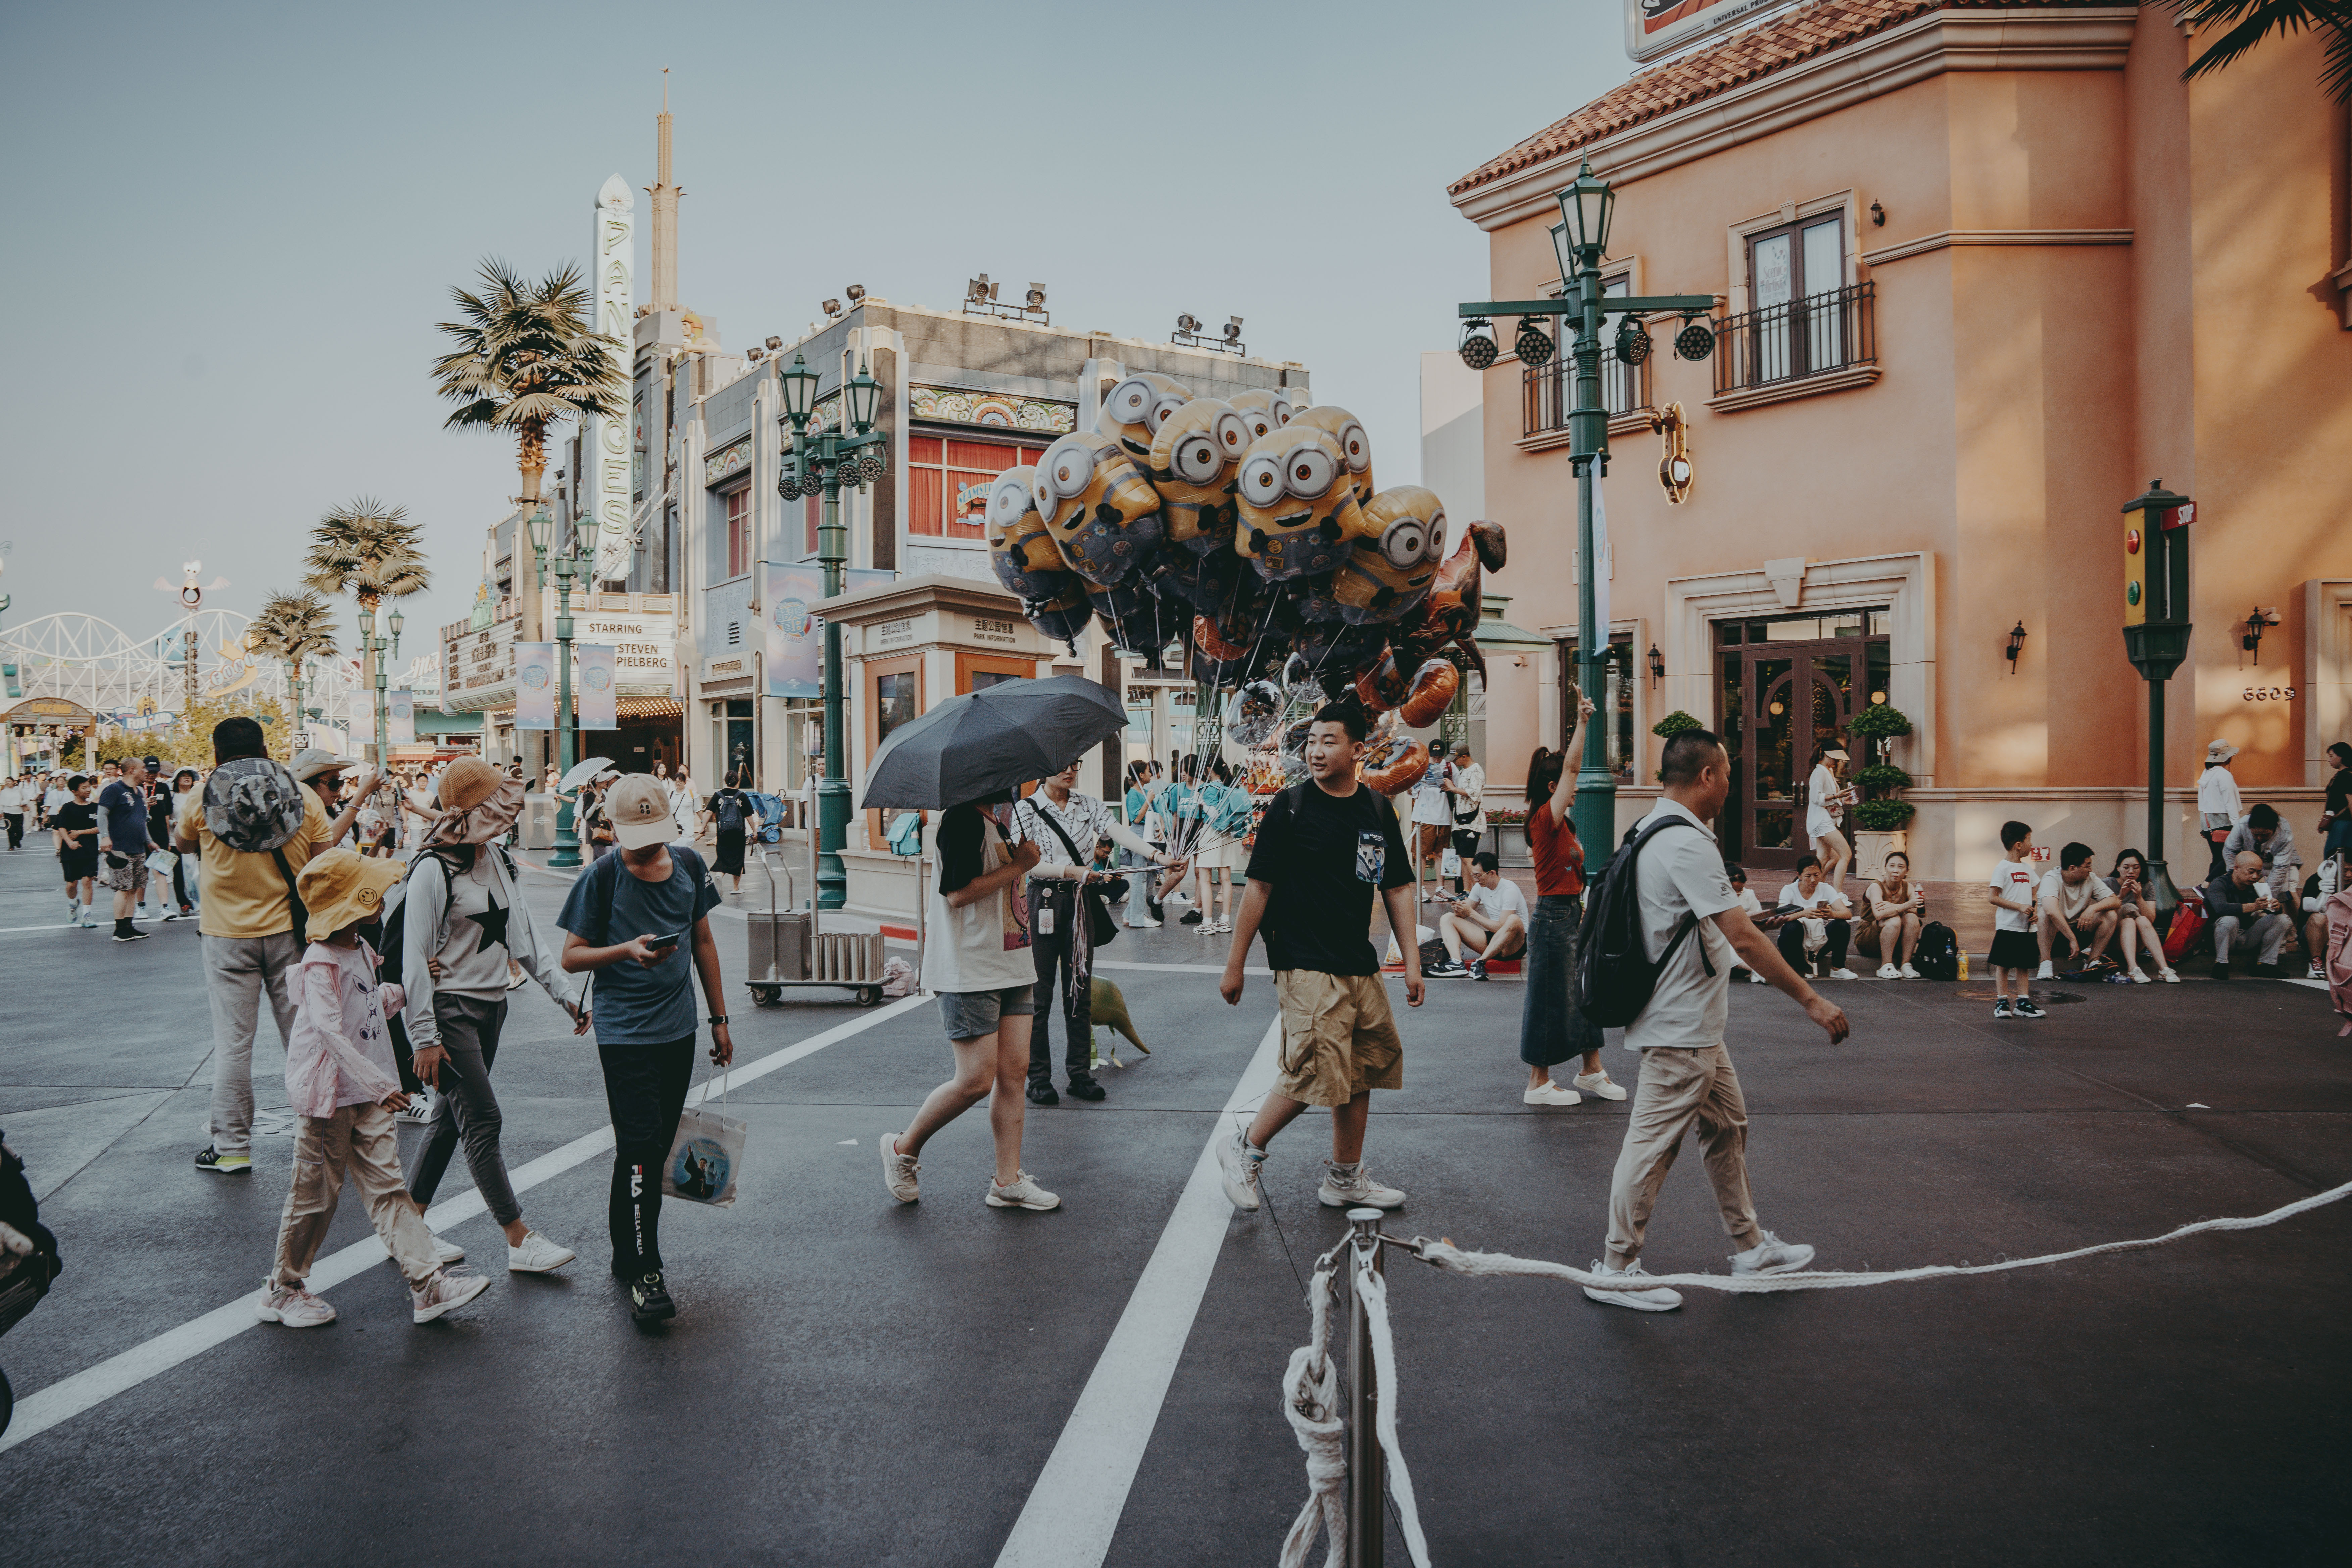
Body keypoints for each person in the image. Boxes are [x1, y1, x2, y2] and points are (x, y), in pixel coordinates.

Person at [1583, 727, 1848, 1313]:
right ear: (1706, 776)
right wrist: (1811, 999)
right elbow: (1742, 937)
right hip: (1679, 1027)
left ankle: (1749, 1247)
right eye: (1727, 773)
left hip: (1694, 1023)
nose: (1732, 783)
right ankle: (1615, 1266)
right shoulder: (1685, 842)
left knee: (1726, 1127)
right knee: (1650, 1148)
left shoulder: (1652, 829)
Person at [255, 848, 490, 1330]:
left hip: (367, 1095)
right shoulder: (321, 961)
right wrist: (383, 1085)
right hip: (330, 1099)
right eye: (372, 896)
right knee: (315, 1196)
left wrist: (405, 988)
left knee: (390, 1190)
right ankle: (284, 1288)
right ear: (350, 903)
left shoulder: (360, 948)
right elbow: (329, 1031)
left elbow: (369, 1004)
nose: (381, 902)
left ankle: (428, 1285)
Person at [1215, 702, 1423, 1214]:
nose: (1315, 750)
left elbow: (1396, 886)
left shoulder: (1376, 810)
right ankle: (1245, 1148)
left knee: (1362, 1067)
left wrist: (1411, 960)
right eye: (1312, 741)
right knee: (1313, 1067)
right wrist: (1235, 963)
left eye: (1329, 741)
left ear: (1358, 750)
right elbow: (1258, 887)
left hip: (1359, 960)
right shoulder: (1290, 808)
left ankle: (1345, 1178)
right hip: (1303, 958)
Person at [557, 773, 732, 1324]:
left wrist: (719, 1020)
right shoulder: (601, 876)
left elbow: (703, 941)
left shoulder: (689, 866)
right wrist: (627, 951)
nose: (646, 845)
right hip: (624, 1033)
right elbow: (571, 956)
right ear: (614, 828)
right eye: (635, 835)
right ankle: (647, 1269)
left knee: (651, 1149)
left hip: (678, 1029)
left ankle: (623, 1253)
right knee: (638, 1147)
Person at [399, 759, 585, 1276]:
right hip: (450, 1012)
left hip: (492, 1008)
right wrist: (424, 1037)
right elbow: (413, 960)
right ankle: (518, 1237)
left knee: (447, 1122)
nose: (508, 818)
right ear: (473, 812)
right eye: (498, 808)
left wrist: (567, 997)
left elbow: (522, 938)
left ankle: (409, 1226)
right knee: (482, 1120)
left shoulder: (499, 861)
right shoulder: (433, 870)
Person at [177, 717, 370, 1176]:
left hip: (226, 937)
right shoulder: (301, 796)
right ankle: (325, 1141)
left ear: (218, 755)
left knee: (233, 1046)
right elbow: (325, 861)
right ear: (266, 749)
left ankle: (231, 1147)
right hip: (290, 934)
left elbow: (182, 844)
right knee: (308, 1038)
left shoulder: (202, 796)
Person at [880, 790, 1059, 1211]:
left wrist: (1024, 864)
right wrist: (1019, 866)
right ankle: (902, 1148)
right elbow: (958, 894)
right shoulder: (960, 818)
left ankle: (1008, 1180)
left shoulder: (995, 819)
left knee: (1015, 1072)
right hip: (970, 969)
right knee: (976, 1080)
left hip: (1012, 962)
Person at [1012, 758, 1186, 1105]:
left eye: (1076, 763)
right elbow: (1025, 861)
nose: (1071, 770)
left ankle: (1080, 1073)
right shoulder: (1026, 808)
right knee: (1040, 996)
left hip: (1080, 902)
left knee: (1080, 990)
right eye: (1062, 764)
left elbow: (1118, 832)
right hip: (1044, 901)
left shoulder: (1088, 804)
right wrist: (1073, 870)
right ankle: (1039, 1077)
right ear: (1044, 767)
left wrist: (1159, 856)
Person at [1513, 725, 1626, 1105]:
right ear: (1552, 788)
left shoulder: (1563, 825)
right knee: (1548, 1000)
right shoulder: (1546, 820)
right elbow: (1574, 769)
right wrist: (1582, 720)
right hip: (1552, 919)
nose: (1574, 788)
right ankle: (1538, 1083)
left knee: (1584, 994)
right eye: (1566, 784)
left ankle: (1591, 1070)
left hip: (1569, 916)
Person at [1428, 852, 1528, 979]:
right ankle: (1456, 963)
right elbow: (1463, 915)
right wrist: (1458, 909)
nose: (1476, 880)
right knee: (1448, 918)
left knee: (1513, 920)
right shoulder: (1480, 887)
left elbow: (1502, 928)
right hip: (1493, 940)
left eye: (1479, 876)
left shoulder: (1509, 890)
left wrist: (1472, 913)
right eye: (1473, 875)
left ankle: (1481, 962)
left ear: (1492, 873)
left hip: (1514, 944)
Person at [1984, 821, 2046, 1018]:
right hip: (2008, 926)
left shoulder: (2028, 869)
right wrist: (2019, 907)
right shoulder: (2002, 868)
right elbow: (1993, 897)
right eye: (2029, 840)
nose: (2032, 845)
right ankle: (2002, 1001)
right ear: (2019, 845)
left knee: (2024, 965)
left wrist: (2033, 907)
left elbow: (2035, 889)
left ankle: (2023, 1002)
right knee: (2004, 965)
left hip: (2026, 928)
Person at [2035, 841, 2121, 977]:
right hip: (2052, 937)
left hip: (2079, 932)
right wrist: (2072, 939)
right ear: (2073, 868)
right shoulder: (2051, 878)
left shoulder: (2090, 879)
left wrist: (2093, 908)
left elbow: (2115, 901)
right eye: (2088, 866)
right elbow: (2051, 910)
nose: (2091, 870)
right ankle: (2045, 963)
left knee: (2110, 914)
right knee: (2045, 914)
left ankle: (2093, 962)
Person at [92, 756, 154, 942]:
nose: (147, 771)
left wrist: (150, 841)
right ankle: (119, 930)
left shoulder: (138, 792)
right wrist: (105, 836)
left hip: (138, 847)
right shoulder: (114, 790)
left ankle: (129, 925)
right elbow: (102, 814)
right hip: (120, 848)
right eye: (143, 768)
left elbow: (142, 821)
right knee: (123, 889)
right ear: (132, 770)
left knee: (134, 888)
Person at [2205, 848, 2291, 979]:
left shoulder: (2255, 886)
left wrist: (2276, 907)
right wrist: (2255, 906)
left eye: (2258, 872)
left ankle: (2266, 965)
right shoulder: (2219, 883)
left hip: (2247, 937)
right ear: (2236, 868)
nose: (2256, 877)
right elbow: (2220, 908)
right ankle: (2221, 964)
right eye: (2251, 872)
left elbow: (2271, 912)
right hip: (2219, 939)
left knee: (2282, 919)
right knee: (2229, 920)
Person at [1775, 854, 1858, 980]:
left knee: (1842, 925)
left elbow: (1847, 914)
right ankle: (1799, 965)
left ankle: (1838, 968)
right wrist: (1803, 913)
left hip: (1818, 942)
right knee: (1792, 926)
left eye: (1817, 875)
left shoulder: (1826, 889)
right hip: (1794, 944)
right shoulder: (1789, 890)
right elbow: (1779, 918)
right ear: (1799, 875)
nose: (1813, 880)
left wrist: (1831, 915)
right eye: (1808, 876)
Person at [2106, 849, 2182, 984]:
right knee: (2129, 920)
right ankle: (2133, 968)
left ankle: (2164, 969)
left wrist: (2139, 897)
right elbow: (2105, 915)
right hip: (2112, 940)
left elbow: (2151, 919)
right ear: (2118, 868)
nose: (2131, 872)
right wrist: (2121, 896)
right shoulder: (2108, 884)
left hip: (2137, 942)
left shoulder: (2147, 886)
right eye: (2126, 867)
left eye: (2136, 868)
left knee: (2142, 919)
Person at [1860, 849, 1926, 978]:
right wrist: (1906, 906)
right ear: (1885, 868)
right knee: (1894, 920)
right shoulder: (1876, 887)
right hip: (1869, 940)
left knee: (1912, 918)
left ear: (1907, 871)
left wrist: (1894, 906)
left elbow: (1921, 912)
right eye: (1892, 866)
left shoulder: (1909, 888)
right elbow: (1880, 915)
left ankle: (1906, 965)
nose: (1895, 870)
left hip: (1895, 941)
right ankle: (1886, 966)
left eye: (1900, 867)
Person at [2221, 803, 2300, 902]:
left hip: (2282, 863)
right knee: (2238, 888)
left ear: (2274, 829)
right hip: (2253, 863)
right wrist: (2237, 876)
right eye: (2255, 834)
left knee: (2287, 895)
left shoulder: (2284, 834)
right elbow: (2230, 852)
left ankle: (2297, 918)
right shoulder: (2242, 826)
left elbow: (2280, 869)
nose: (2260, 838)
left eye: (2265, 835)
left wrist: (2269, 899)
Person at [1804, 745, 1856, 891]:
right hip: (1821, 821)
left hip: (1823, 820)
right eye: (1834, 757)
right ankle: (1838, 893)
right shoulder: (1819, 772)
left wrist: (1841, 800)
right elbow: (1816, 798)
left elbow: (1828, 799)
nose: (1837, 761)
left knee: (1826, 858)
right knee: (1846, 854)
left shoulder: (1828, 771)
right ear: (1824, 754)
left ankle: (1808, 886)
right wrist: (1837, 796)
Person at [1120, 760, 1165, 928]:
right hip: (1139, 836)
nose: (1151, 774)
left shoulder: (1146, 792)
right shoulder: (1133, 794)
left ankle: (1130, 914)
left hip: (1150, 836)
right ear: (1141, 775)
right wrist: (1149, 800)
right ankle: (1138, 918)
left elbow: (1156, 813)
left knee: (1151, 875)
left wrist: (1162, 826)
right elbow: (1136, 818)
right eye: (1148, 771)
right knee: (1140, 877)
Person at [51, 775, 99, 928]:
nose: (88, 790)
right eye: (84, 788)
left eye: (89, 787)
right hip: (70, 851)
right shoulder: (67, 808)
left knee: (87, 880)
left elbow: (100, 828)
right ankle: (73, 904)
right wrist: (70, 842)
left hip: (90, 850)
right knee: (72, 883)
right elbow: (61, 828)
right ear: (75, 791)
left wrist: (80, 832)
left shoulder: (94, 808)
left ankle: (87, 916)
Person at [1408, 746, 1453, 904]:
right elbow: (1410, 792)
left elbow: (1457, 789)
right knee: (1421, 854)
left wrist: (1448, 785)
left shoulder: (1450, 767)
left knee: (1441, 854)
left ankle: (1440, 889)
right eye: (1434, 756)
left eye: (1440, 756)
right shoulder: (1421, 766)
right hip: (1424, 816)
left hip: (1444, 816)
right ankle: (1420, 890)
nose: (1437, 759)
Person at [1443, 743, 1486, 898]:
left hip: (1472, 822)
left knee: (1469, 859)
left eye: (1456, 759)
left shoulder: (1477, 771)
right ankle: (1467, 892)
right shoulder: (1463, 772)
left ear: (1464, 757)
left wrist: (1452, 789)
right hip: (1460, 822)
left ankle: (1479, 893)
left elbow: (1473, 794)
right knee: (1462, 858)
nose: (1454, 762)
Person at [2197, 739, 2242, 879]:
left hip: (2209, 824)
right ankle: (2205, 887)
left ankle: (2209, 892)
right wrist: (2237, 825)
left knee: (2218, 859)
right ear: (2227, 757)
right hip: (2224, 823)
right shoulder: (2224, 775)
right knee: (2227, 859)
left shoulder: (2207, 773)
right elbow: (2230, 802)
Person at [161, 768, 201, 918]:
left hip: (197, 839)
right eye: (183, 776)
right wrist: (174, 823)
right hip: (176, 839)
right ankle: (184, 903)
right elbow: (166, 816)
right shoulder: (172, 796)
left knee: (198, 871)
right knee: (179, 874)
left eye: (189, 777)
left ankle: (201, 901)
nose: (186, 779)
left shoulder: (197, 795)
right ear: (177, 780)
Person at [708, 768, 754, 893]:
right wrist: (755, 831)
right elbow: (749, 815)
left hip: (723, 833)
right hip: (738, 833)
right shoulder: (742, 796)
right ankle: (736, 888)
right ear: (738, 782)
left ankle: (719, 875)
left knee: (723, 858)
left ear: (725, 781)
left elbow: (709, 811)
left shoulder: (718, 795)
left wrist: (703, 828)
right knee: (738, 859)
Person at [2301, 854, 2342, 981]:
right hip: (2315, 934)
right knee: (2319, 918)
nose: (2349, 874)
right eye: (2345, 870)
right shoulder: (2317, 879)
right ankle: (2316, 962)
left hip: (2344, 933)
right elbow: (2307, 906)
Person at [2319, 741, 2352, 860]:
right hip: (2336, 823)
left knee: (2338, 857)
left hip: (2344, 824)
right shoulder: (2339, 775)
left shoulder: (2347, 775)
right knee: (2332, 856)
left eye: (2332, 756)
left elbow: (2351, 800)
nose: (2329, 760)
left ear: (2341, 756)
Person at [0, 775, 28, 851]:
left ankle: (17, 840)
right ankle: (12, 845)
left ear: (13, 782)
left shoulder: (19, 790)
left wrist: (23, 802)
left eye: (9, 781)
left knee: (20, 830)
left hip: (19, 812)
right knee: (10, 830)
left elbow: (26, 799)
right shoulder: (4, 792)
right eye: (6, 782)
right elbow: (1, 803)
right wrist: (1, 812)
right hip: (8, 812)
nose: (8, 783)